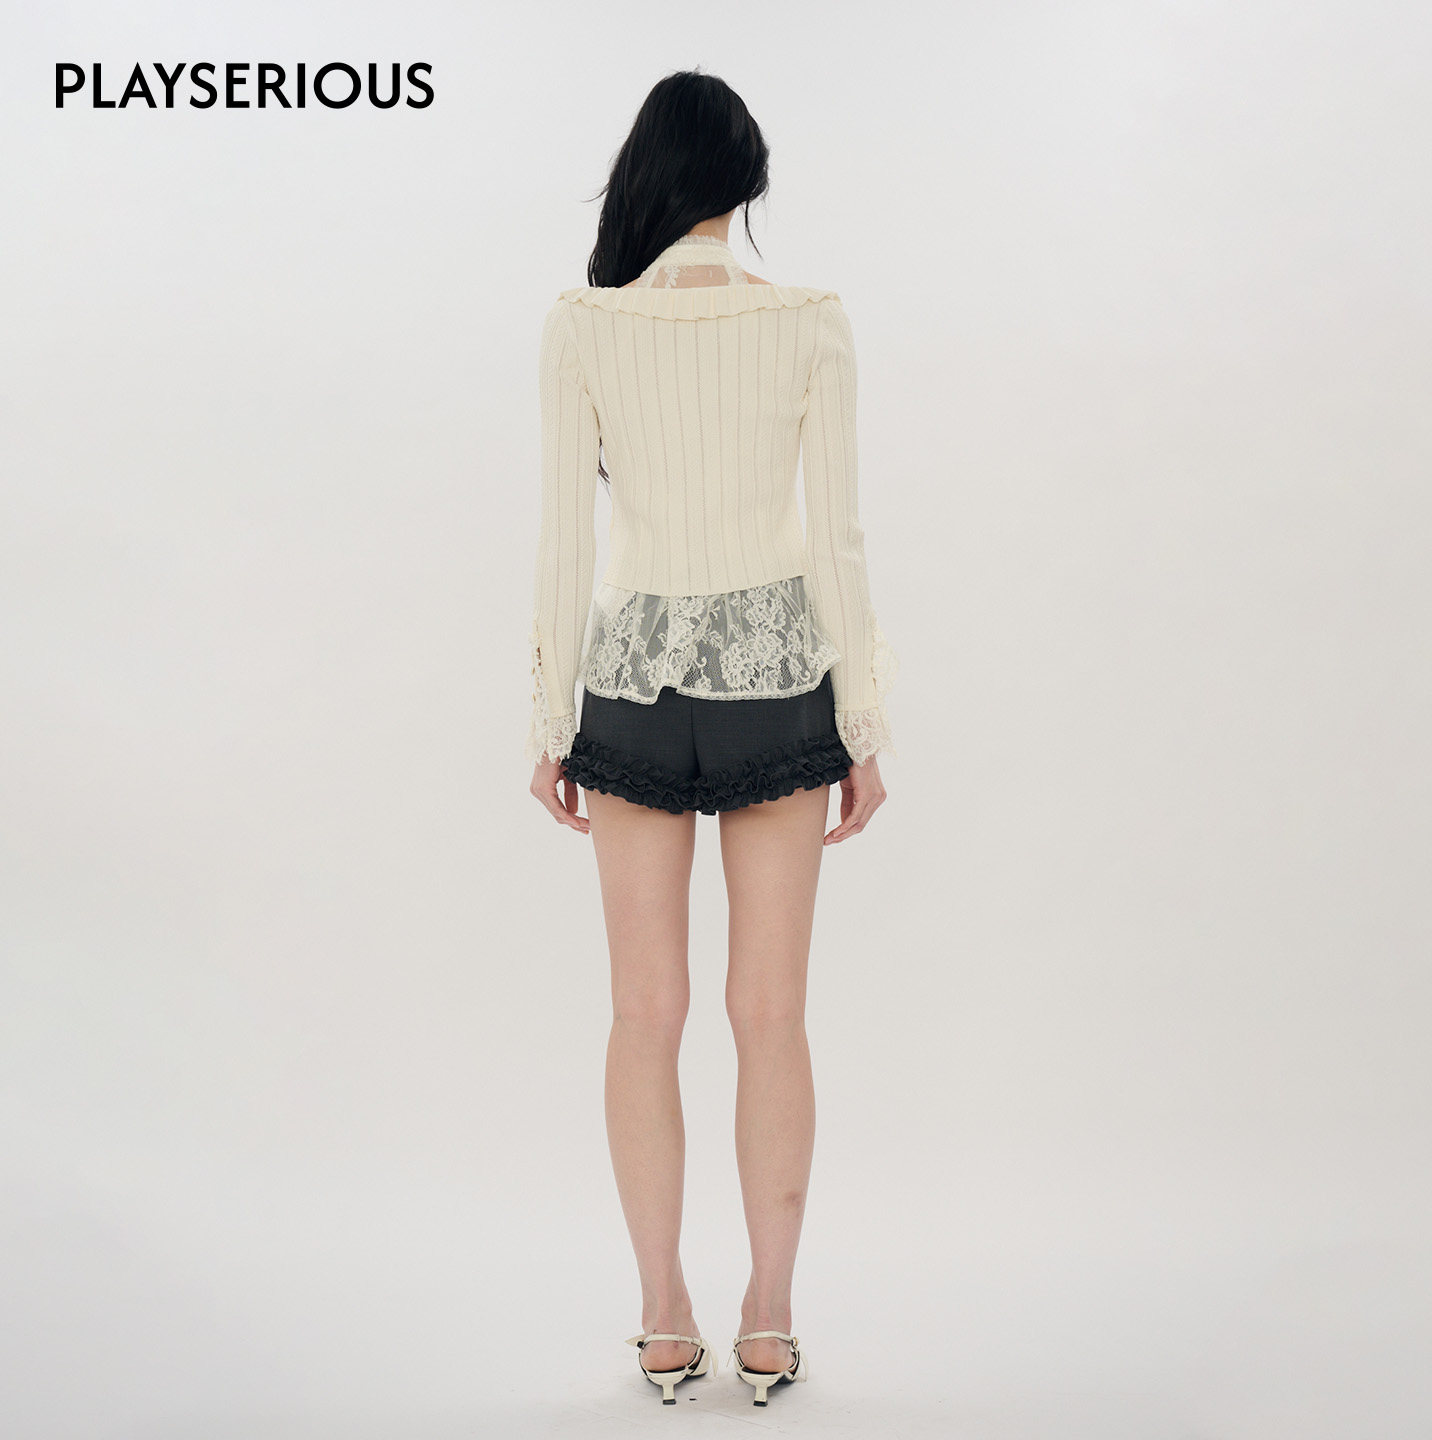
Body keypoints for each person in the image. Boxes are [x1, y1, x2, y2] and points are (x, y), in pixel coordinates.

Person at [524, 68, 898, 1407]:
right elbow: (838, 537)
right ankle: (771, 1315)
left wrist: (547, 719)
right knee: (770, 1012)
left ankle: (662, 1311)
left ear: (647, 178)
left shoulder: (584, 324)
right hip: (776, 676)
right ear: (744, 183)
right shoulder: (810, 321)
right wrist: (863, 724)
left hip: (629, 682)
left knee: (644, 1012)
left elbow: (565, 539)